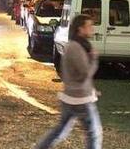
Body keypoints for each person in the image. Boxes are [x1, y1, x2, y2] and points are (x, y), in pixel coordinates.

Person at [35, 14, 102, 149]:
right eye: (89, 26)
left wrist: (91, 90)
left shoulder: (76, 46)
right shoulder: (76, 48)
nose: (92, 29)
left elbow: (73, 74)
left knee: (60, 130)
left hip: (71, 97)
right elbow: (85, 73)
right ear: (80, 29)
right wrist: (94, 59)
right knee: (94, 133)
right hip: (80, 99)